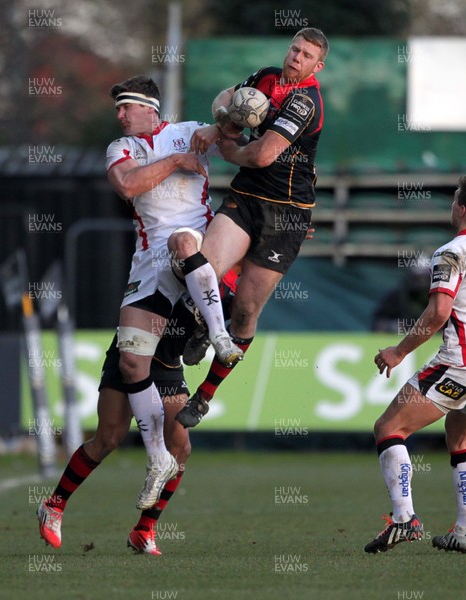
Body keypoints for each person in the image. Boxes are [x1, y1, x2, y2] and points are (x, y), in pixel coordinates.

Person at [363, 174, 466, 555]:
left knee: (389, 428)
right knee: (460, 440)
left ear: (461, 207)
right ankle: (465, 532)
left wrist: (399, 351)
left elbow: (438, 313)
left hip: (461, 365)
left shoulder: (451, 252)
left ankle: (405, 520)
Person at [175, 27, 329, 428]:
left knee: (245, 311)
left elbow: (261, 155)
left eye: (307, 55)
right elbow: (227, 98)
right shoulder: (265, 76)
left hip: (287, 214)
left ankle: (205, 396)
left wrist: (227, 147)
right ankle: (205, 324)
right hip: (247, 198)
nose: (296, 57)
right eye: (294, 48)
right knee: (204, 267)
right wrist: (221, 121)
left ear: (318, 66)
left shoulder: (305, 102)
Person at [105, 75, 243, 509]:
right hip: (148, 266)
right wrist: (177, 162)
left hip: (197, 251)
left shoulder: (189, 131)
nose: (120, 115)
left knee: (183, 242)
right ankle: (156, 460)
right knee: (130, 361)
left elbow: (241, 134)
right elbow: (127, 185)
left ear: (150, 106)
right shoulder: (121, 149)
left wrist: (225, 117)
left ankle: (219, 336)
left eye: (126, 107)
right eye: (118, 109)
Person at [37, 274, 239, 555]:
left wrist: (206, 387)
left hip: (167, 364)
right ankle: (54, 505)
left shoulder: (242, 288)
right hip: (134, 348)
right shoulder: (202, 252)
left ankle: (144, 530)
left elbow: (238, 339)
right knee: (108, 439)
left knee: (180, 448)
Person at [371, 263, 430, 333]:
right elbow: (379, 323)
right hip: (398, 335)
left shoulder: (437, 296)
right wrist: (391, 325)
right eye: (417, 279)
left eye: (424, 279)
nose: (420, 284)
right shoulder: (395, 296)